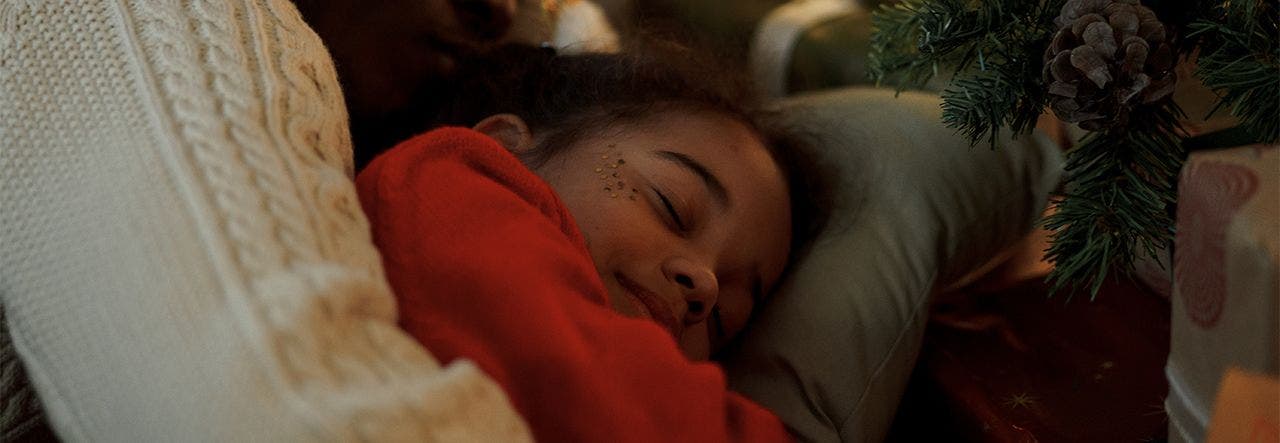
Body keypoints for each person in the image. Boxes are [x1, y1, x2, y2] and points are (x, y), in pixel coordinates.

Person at [356, 42, 829, 441]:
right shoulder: (450, 177)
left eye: (725, 318)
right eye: (671, 205)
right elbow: (577, 377)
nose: (704, 284)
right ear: (504, 143)